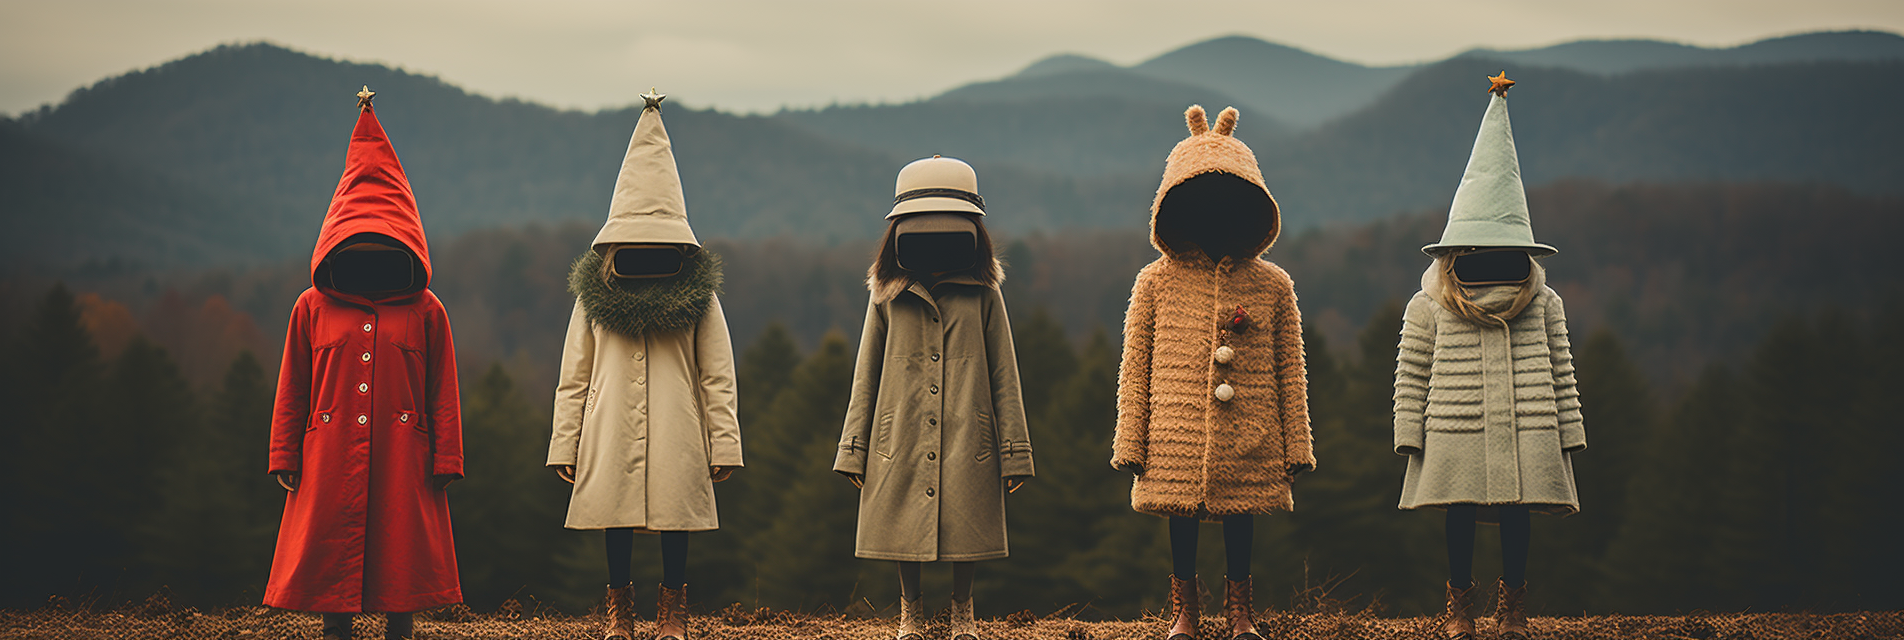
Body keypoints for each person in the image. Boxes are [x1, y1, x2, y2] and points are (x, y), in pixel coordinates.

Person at [266, 86, 463, 640]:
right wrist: (284, 451)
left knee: (401, 552)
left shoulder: (427, 311)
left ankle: (400, 630)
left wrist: (446, 456)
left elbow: (442, 389)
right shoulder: (310, 309)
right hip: (326, 453)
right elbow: (293, 388)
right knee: (332, 549)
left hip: (406, 452)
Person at [1393, 73, 1585, 640]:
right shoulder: (1427, 305)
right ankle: (1460, 608)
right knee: (1458, 513)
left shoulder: (1544, 303)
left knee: (1517, 513)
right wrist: (1410, 433)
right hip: (1454, 430)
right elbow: (1410, 374)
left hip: (1529, 427)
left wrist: (1569, 432)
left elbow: (1562, 370)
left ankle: (1513, 608)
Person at [1112, 105, 1314, 640]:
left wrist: (1297, 446)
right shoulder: (1155, 282)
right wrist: (1131, 442)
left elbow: (1291, 370)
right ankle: (1185, 611)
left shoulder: (1273, 286)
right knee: (1180, 512)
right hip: (1172, 431)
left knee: (1242, 513)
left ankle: (1240, 612)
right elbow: (1135, 368)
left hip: (1252, 429)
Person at [547, 89, 741, 640]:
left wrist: (723, 441)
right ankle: (620, 615)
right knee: (615, 516)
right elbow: (575, 374)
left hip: (681, 426)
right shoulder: (591, 298)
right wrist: (567, 441)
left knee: (675, 520)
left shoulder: (701, 298)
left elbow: (717, 374)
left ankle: (673, 614)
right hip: (608, 424)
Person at [834, 156, 1034, 640]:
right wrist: (855, 448)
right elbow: (867, 369)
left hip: (970, 428)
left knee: (966, 522)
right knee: (903, 520)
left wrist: (1014, 452)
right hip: (899, 429)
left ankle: (963, 610)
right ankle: (911, 612)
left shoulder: (985, 293)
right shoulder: (885, 295)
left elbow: (1004, 371)